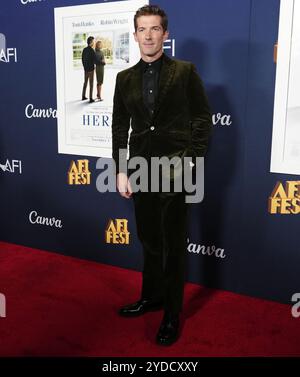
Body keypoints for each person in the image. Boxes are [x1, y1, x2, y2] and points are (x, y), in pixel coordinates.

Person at [112, 5, 212, 346]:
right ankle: (151, 297)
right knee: (149, 240)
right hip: (140, 169)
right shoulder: (123, 78)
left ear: (165, 35)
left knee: (173, 246)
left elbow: (202, 118)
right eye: (143, 29)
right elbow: (119, 126)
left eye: (155, 29)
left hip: (176, 169)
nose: (149, 35)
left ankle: (171, 313)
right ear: (135, 34)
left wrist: (192, 161)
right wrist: (122, 168)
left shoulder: (185, 72)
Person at [81, 36, 96, 103]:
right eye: (93, 41)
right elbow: (95, 60)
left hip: (86, 69)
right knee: (91, 84)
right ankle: (90, 98)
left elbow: (82, 59)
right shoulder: (92, 50)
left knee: (85, 82)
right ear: (91, 42)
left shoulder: (84, 50)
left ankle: (83, 96)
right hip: (91, 70)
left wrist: (84, 67)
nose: (94, 42)